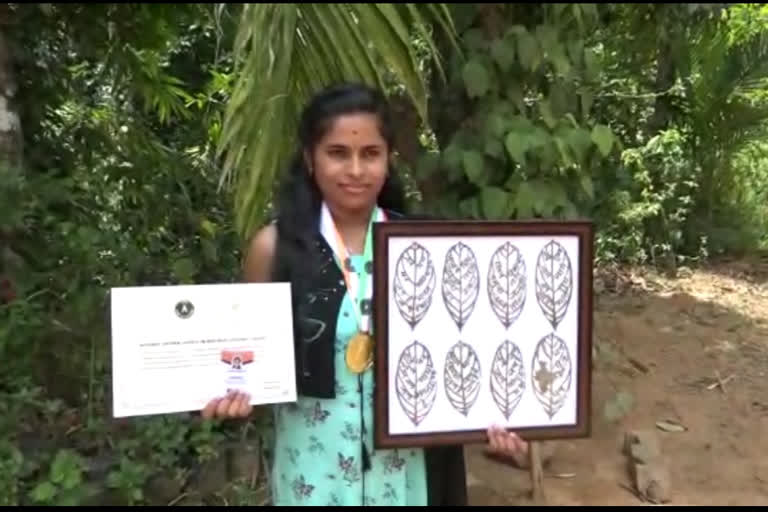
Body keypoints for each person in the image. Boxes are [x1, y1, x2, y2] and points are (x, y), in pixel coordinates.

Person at [202, 83, 528, 506]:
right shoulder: (274, 248)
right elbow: (255, 372)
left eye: (370, 154)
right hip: (314, 475)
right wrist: (236, 398)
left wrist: (494, 421)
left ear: (388, 160)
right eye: (338, 153)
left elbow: (468, 357)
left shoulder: (428, 249)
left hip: (409, 476)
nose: (355, 170)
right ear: (309, 159)